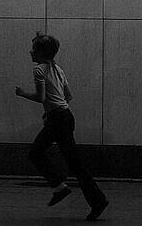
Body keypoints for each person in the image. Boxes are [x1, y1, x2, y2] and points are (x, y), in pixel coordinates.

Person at [14, 32, 109, 221]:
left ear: (41, 53)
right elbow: (68, 96)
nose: (30, 52)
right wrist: (51, 111)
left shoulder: (39, 70)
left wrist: (22, 93)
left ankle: (60, 187)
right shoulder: (58, 69)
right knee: (74, 163)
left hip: (58, 119)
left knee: (36, 153)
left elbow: (41, 97)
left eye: (33, 49)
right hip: (65, 116)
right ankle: (95, 200)